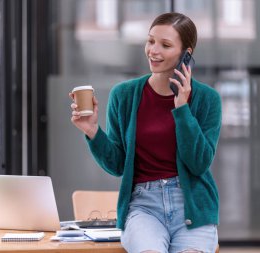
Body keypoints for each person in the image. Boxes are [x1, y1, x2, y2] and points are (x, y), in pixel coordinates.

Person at [70, 12, 221, 253]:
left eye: (165, 45)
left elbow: (199, 163)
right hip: (144, 207)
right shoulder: (124, 95)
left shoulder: (207, 99)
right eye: (150, 41)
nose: (153, 50)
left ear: (186, 54)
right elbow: (118, 164)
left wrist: (182, 107)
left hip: (192, 207)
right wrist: (92, 131)